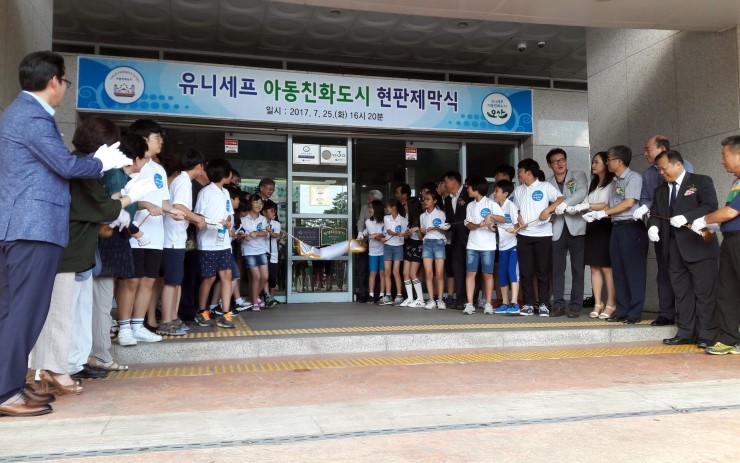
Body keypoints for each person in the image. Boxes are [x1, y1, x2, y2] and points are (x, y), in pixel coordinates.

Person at [0, 51, 131, 417]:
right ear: (54, 81)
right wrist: (102, 162)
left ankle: (8, 384)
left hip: (21, 226)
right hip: (34, 228)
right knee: (25, 312)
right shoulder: (33, 116)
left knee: (13, 310)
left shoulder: (20, 114)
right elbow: (66, 165)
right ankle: (5, 393)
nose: (64, 88)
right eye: (65, 82)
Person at [646, 150, 719, 347]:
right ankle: (685, 332)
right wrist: (652, 226)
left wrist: (687, 217)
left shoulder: (701, 181)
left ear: (678, 164)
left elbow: (710, 207)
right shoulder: (660, 190)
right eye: (659, 169)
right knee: (682, 294)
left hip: (699, 248)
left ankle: (707, 335)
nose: (661, 172)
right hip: (672, 250)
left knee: (705, 294)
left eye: (664, 168)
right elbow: (655, 214)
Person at [126, 119, 185, 342]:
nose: (161, 142)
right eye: (156, 137)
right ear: (143, 139)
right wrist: (146, 205)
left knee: (148, 282)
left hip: (156, 236)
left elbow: (163, 202)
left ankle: (137, 325)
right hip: (133, 234)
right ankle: (124, 326)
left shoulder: (158, 169)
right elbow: (122, 198)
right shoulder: (130, 164)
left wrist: (173, 211)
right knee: (131, 282)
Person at [635, 136, 694, 327]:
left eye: (648, 149)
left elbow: (689, 194)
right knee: (664, 271)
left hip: (682, 227)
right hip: (660, 228)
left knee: (683, 272)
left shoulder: (683, 165)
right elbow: (646, 198)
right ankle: (666, 313)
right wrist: (645, 209)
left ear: (661, 149)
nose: (645, 153)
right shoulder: (647, 174)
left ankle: (686, 315)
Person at [583, 145, 647, 324]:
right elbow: (609, 205)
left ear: (619, 161)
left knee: (633, 272)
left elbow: (628, 203)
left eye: (610, 160)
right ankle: (622, 310)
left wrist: (603, 213)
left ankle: (635, 313)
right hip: (616, 227)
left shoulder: (633, 178)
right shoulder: (615, 181)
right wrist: (594, 213)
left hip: (631, 227)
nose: (608, 163)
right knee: (618, 271)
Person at [691, 135, 740, 355]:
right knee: (727, 291)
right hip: (731, 241)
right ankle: (729, 339)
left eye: (725, 155)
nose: (722, 160)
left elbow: (730, 212)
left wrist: (704, 219)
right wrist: (717, 226)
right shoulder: (736, 181)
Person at [159, 149, 207, 336]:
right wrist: (198, 219)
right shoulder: (183, 182)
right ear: (199, 166)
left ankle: (173, 318)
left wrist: (194, 218)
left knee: (176, 281)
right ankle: (166, 321)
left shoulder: (183, 181)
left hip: (177, 239)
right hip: (172, 239)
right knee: (171, 282)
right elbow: (179, 206)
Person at [567, 151, 616, 319]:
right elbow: (587, 203)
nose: (593, 165)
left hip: (605, 225)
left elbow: (609, 204)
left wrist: (588, 206)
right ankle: (598, 303)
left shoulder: (613, 183)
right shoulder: (594, 183)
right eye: (593, 162)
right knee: (594, 267)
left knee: (607, 268)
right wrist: (578, 207)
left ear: (606, 164)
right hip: (592, 225)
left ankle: (611, 303)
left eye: (597, 162)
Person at [513, 159, 564, 317]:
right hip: (524, 235)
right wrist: (519, 219)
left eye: (520, 171)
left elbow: (560, 198)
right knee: (526, 271)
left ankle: (543, 304)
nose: (518, 173)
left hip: (543, 235)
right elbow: (516, 209)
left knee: (543, 271)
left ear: (528, 172)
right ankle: (528, 304)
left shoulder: (545, 186)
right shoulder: (518, 190)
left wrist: (548, 210)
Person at [545, 149, 588, 318]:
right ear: (550, 165)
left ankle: (576, 305)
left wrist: (564, 204)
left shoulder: (578, 175)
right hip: (557, 229)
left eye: (562, 159)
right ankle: (558, 304)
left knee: (578, 268)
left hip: (577, 227)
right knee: (557, 269)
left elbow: (581, 192)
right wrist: (552, 211)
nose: (560, 163)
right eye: (555, 161)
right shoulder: (547, 183)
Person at [194, 158, 236, 328]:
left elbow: (229, 214)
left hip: (224, 243)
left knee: (227, 276)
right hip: (208, 243)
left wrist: (228, 222)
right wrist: (216, 223)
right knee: (209, 278)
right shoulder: (205, 192)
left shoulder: (225, 193)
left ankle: (226, 314)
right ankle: (202, 311)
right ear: (224, 174)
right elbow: (198, 217)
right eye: (229, 171)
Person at [462, 176, 505, 315]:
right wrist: (477, 225)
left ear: (476, 188)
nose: (467, 189)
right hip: (472, 244)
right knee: (470, 273)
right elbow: (468, 224)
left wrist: (490, 216)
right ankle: (470, 304)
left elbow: (503, 219)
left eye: (469, 187)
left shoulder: (491, 204)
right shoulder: (470, 205)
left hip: (488, 246)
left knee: (487, 275)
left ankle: (488, 303)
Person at [492, 180, 521, 315]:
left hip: (513, 244)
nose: (494, 193)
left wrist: (514, 229)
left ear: (505, 193)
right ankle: (505, 302)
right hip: (502, 246)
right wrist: (491, 228)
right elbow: (496, 227)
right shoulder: (495, 207)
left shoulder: (511, 206)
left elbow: (518, 224)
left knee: (512, 271)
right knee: (502, 273)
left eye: (497, 191)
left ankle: (514, 303)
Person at [443, 171, 471, 309]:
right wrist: (444, 226)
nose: (444, 185)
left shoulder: (468, 193)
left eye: (446, 182)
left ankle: (471, 299)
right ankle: (460, 298)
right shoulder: (447, 199)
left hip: (470, 237)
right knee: (457, 269)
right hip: (455, 239)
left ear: (454, 181)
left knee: (471, 269)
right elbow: (450, 219)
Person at [238, 194, 270, 311]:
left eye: (261, 203)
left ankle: (255, 297)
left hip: (261, 250)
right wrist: (243, 236)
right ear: (250, 203)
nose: (259, 205)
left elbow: (265, 232)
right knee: (256, 277)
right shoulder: (243, 218)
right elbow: (238, 234)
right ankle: (255, 301)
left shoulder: (263, 218)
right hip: (248, 251)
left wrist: (256, 233)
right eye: (256, 202)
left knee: (264, 276)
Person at [396, 184, 424, 307]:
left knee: (413, 273)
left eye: (406, 205)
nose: (405, 207)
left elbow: (422, 238)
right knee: (405, 273)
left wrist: (417, 230)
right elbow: (406, 236)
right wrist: (406, 234)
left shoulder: (421, 218)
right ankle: (410, 298)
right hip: (409, 244)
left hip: (418, 245)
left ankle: (420, 299)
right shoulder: (407, 218)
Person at [419, 190, 449, 309]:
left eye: (428, 199)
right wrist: (421, 231)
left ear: (435, 201)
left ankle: (440, 300)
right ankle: (431, 299)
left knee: (439, 273)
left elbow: (445, 230)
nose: (425, 201)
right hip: (427, 243)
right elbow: (421, 235)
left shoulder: (441, 214)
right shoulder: (422, 216)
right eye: (424, 199)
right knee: (428, 273)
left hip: (439, 242)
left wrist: (435, 228)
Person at [356, 190, 382, 303]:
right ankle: (364, 294)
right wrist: (360, 233)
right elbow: (360, 222)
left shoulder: (382, 210)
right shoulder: (364, 208)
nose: (367, 201)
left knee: (378, 271)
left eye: (369, 199)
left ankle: (377, 294)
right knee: (363, 269)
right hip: (365, 243)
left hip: (379, 246)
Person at [381, 198, 407, 305]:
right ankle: (388, 295)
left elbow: (405, 233)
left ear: (394, 207)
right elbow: (388, 231)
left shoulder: (403, 220)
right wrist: (397, 234)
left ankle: (399, 295)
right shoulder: (386, 218)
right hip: (388, 246)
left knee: (396, 271)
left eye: (388, 207)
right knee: (387, 271)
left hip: (398, 247)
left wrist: (405, 234)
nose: (386, 209)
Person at [360, 199, 387, 304]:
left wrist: (377, 235)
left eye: (371, 207)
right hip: (373, 252)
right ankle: (371, 295)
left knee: (382, 273)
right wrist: (379, 235)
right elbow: (374, 235)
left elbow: (384, 234)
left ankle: (381, 295)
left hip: (384, 251)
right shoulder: (368, 222)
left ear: (377, 209)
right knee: (373, 273)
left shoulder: (385, 221)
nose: (370, 209)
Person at [262, 199, 282, 307]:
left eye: (274, 211)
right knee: (265, 275)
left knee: (273, 276)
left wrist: (271, 232)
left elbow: (277, 236)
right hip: (262, 251)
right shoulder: (260, 222)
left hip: (273, 252)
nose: (274, 213)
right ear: (264, 212)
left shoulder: (276, 223)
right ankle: (266, 296)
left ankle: (272, 297)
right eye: (271, 211)